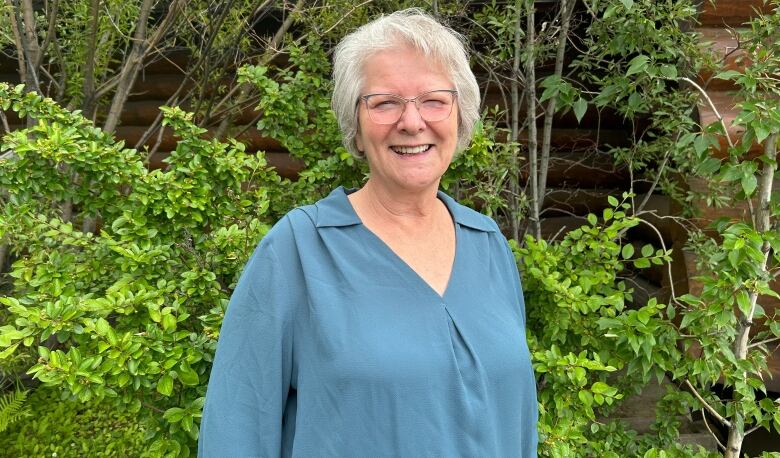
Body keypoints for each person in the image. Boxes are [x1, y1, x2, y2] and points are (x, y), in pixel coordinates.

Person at [198, 8, 538, 457]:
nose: (412, 122)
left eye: (434, 100)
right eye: (385, 102)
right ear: (355, 126)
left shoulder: (488, 243)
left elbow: (516, 427)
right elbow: (236, 433)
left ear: (460, 116)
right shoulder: (299, 250)